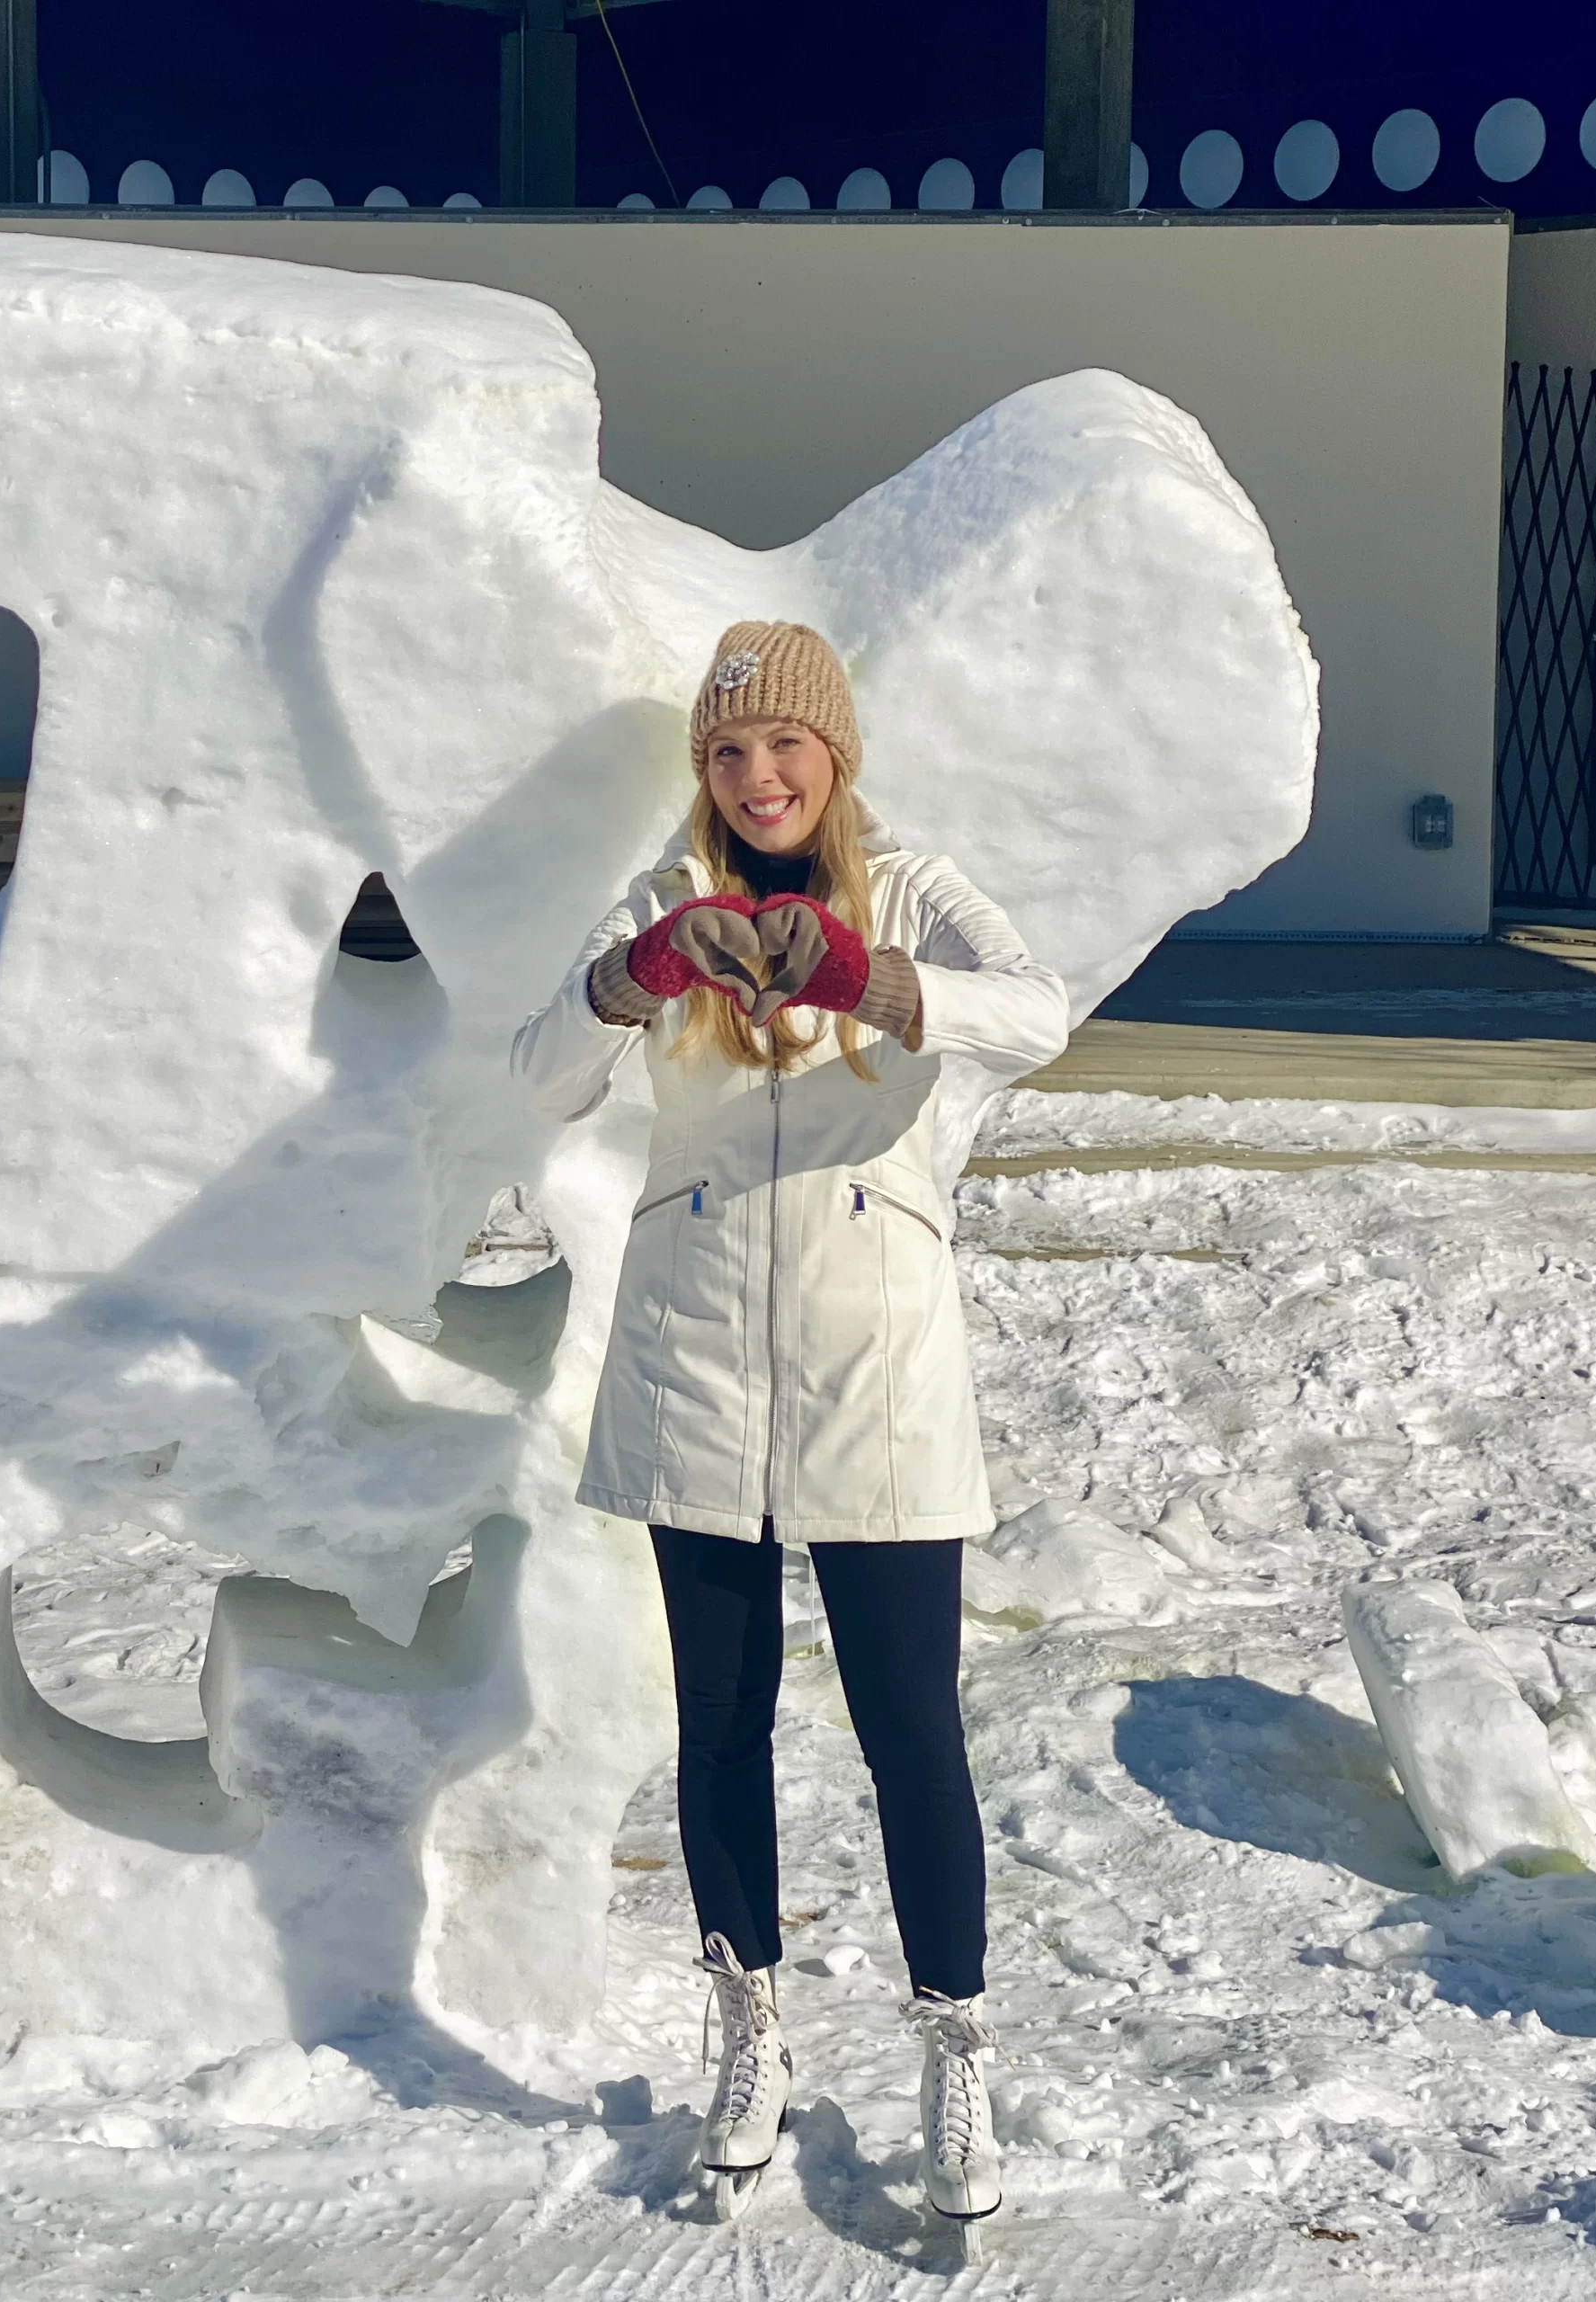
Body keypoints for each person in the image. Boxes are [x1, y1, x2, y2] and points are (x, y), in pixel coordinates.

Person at [511, 620, 1069, 2227]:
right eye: (728, 752)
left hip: (872, 1357)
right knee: (721, 1725)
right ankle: (748, 2027)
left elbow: (1034, 1010)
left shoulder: (907, 882)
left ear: (836, 754)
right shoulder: (661, 895)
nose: (758, 777)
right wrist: (637, 975)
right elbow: (540, 1072)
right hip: (697, 1357)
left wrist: (869, 981)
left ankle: (956, 2044)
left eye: (785, 747)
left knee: (912, 1731)